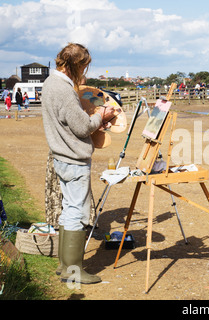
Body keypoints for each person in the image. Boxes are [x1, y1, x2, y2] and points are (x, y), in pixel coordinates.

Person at [41, 43, 115, 285]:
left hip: (61, 156)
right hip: (73, 159)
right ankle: (73, 271)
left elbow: (69, 122)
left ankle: (65, 267)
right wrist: (100, 116)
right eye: (83, 66)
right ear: (75, 64)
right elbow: (82, 126)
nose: (85, 71)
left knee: (68, 209)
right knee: (77, 212)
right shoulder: (63, 89)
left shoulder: (50, 83)